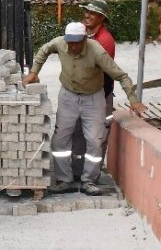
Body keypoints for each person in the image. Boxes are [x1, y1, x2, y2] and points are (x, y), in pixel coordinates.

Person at [22, 21, 145, 195]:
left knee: (95, 140)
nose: (72, 46)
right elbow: (43, 50)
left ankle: (89, 180)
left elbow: (122, 76)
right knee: (59, 140)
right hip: (68, 96)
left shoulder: (97, 52)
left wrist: (133, 100)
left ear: (84, 40)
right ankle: (64, 180)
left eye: (76, 43)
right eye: (69, 42)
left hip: (93, 99)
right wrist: (34, 72)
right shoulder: (59, 43)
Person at [72, 0, 115, 181]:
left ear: (101, 18)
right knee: (79, 134)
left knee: (97, 137)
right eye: (86, 12)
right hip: (85, 93)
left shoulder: (104, 40)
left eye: (92, 14)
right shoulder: (88, 35)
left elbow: (94, 70)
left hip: (100, 94)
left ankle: (92, 177)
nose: (87, 16)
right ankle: (77, 173)